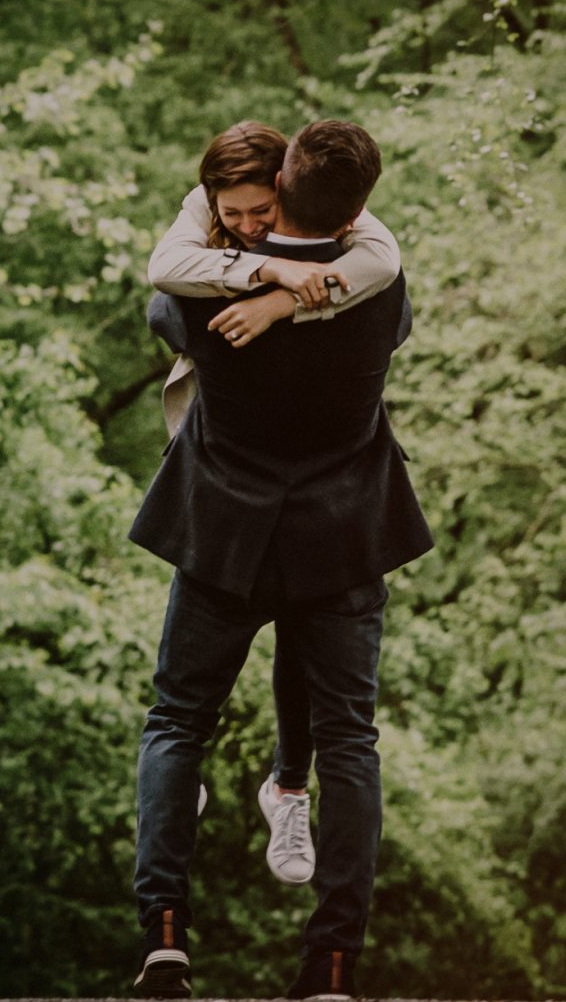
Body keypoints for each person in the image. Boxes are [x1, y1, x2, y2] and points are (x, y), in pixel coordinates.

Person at [129, 120, 433, 1002]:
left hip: (227, 535)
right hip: (341, 540)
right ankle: (333, 966)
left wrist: (244, 263)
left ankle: (165, 939)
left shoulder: (189, 296)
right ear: (358, 204)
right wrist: (302, 285)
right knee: (352, 743)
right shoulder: (381, 289)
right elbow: (385, 280)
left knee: (176, 720)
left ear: (274, 193)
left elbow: (164, 287)